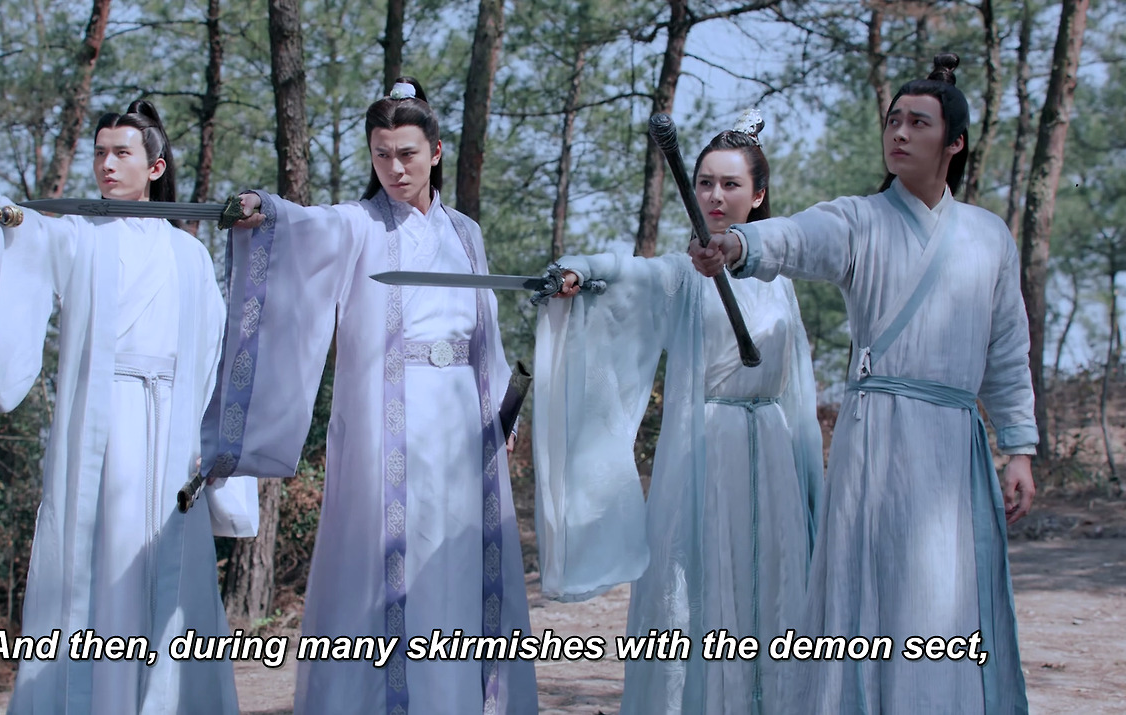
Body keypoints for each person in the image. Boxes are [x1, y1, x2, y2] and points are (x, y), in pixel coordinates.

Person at [692, 54, 1036, 713]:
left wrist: (1018, 446)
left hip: (952, 439)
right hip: (878, 434)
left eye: (919, 122)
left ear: (955, 142)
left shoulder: (989, 237)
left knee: (945, 591)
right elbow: (797, 237)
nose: (899, 132)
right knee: (871, 586)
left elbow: (1006, 349)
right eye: (893, 120)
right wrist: (739, 245)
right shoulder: (859, 219)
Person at [203, 77, 538, 714]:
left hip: (461, 424)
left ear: (435, 151)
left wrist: (504, 410)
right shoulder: (357, 225)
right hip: (388, 425)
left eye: (407, 153)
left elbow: (486, 328)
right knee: (384, 566)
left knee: (456, 560)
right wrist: (264, 211)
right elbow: (305, 226)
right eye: (381, 154)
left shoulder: (466, 233)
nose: (394, 168)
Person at [0, 100, 242, 713]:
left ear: (155, 166)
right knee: (96, 563)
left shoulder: (190, 255)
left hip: (172, 432)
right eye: (99, 153)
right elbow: (22, 228)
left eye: (122, 152)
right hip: (101, 427)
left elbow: (213, 359)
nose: (106, 165)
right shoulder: (76, 235)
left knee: (170, 567)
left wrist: (213, 452)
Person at [531, 112, 824, 714]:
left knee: (774, 584)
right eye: (705, 183)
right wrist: (580, 273)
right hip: (705, 452)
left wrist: (806, 473)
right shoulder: (684, 275)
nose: (714, 196)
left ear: (758, 195)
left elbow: (796, 388)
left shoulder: (780, 281)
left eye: (731, 184)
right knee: (699, 585)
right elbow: (629, 276)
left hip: (773, 453)